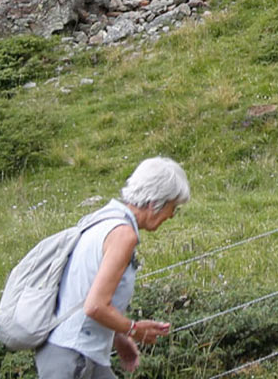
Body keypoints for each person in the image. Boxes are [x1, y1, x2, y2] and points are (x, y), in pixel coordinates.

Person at [39, 160, 187, 379]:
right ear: (156, 202)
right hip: (74, 357)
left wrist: (119, 337)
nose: (172, 215)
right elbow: (95, 306)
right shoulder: (123, 235)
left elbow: (84, 291)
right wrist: (134, 329)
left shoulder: (103, 221)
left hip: (74, 352)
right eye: (173, 207)